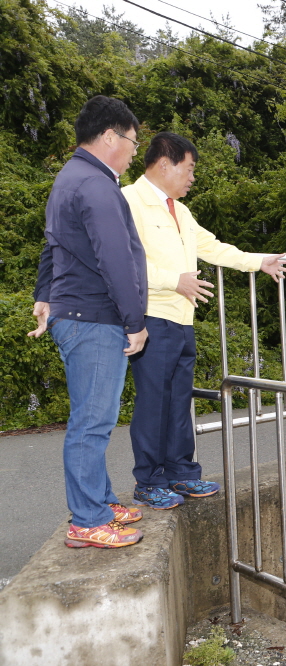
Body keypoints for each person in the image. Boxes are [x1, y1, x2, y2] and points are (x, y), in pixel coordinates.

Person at [123, 132, 286, 510]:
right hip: (151, 316)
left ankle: (181, 472)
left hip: (183, 319)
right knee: (154, 402)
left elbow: (212, 247)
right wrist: (174, 281)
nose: (192, 177)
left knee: (179, 401)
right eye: (189, 168)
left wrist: (258, 261)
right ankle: (149, 481)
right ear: (164, 164)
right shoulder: (129, 201)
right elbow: (124, 263)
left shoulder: (180, 211)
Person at [29, 95, 148, 548]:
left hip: (78, 312)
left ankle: (99, 501)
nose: (134, 152)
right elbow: (116, 259)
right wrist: (134, 321)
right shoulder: (95, 185)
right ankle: (87, 519)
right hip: (93, 316)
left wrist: (44, 295)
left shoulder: (72, 177)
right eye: (133, 142)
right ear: (110, 136)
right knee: (92, 423)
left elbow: (52, 245)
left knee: (94, 417)